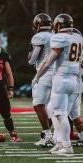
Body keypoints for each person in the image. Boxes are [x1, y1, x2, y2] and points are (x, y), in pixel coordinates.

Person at [33, 14, 83, 154]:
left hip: (62, 79)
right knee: (52, 110)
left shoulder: (59, 38)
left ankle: (66, 146)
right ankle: (60, 142)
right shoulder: (78, 38)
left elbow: (49, 61)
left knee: (59, 114)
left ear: (59, 25)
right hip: (74, 79)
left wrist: (38, 76)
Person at [28, 13, 54, 147]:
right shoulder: (55, 34)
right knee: (52, 107)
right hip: (58, 73)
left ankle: (48, 135)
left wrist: (30, 55)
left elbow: (33, 60)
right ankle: (53, 135)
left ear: (38, 24)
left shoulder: (39, 37)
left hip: (44, 73)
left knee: (38, 104)